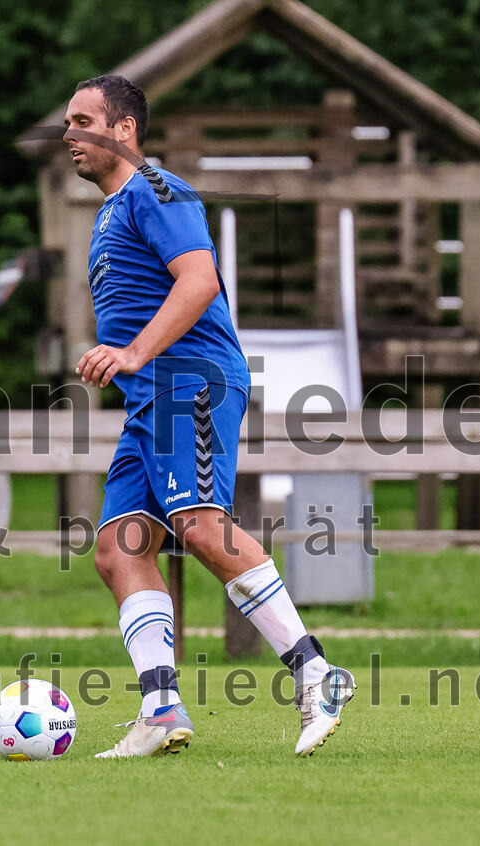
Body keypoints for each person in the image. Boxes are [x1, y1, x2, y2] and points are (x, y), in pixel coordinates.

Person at [61, 74, 355, 758]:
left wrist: (132, 352)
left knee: (197, 526)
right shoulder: (111, 211)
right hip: (149, 399)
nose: (69, 135)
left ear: (124, 129)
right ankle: (161, 708)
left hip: (189, 384)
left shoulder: (156, 190)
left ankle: (317, 673)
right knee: (117, 548)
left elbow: (199, 281)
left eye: (82, 120)